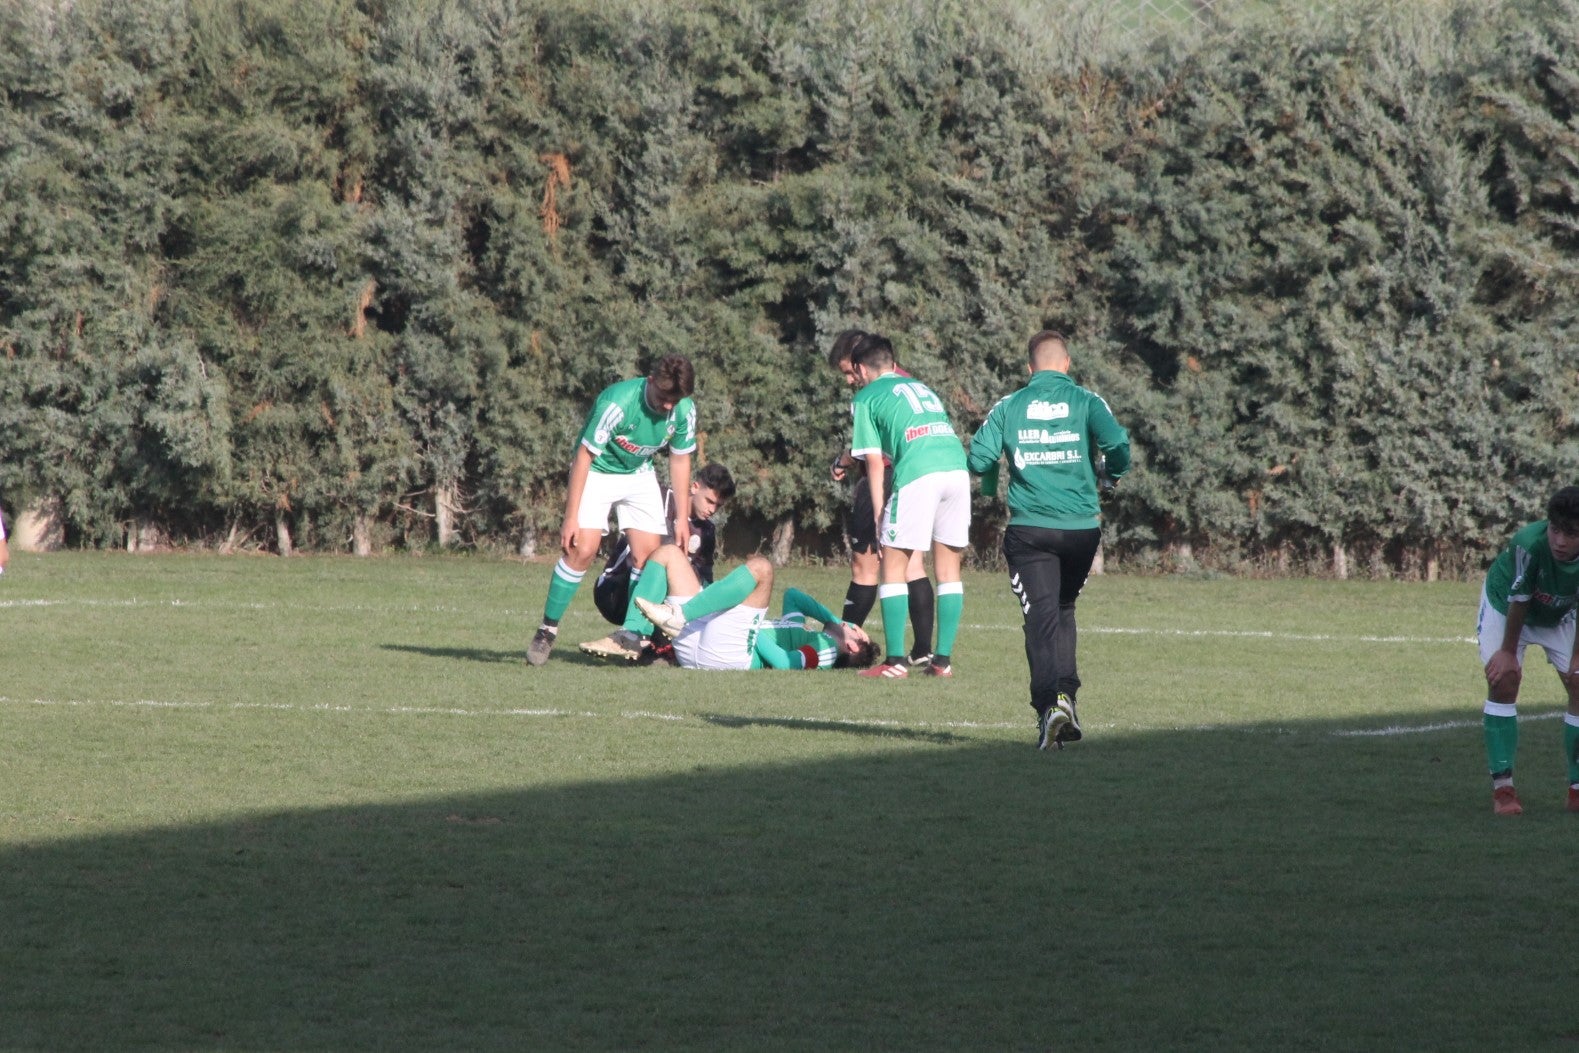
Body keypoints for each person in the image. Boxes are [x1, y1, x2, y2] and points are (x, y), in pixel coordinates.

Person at [967, 330, 1130, 750]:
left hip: (1031, 531)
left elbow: (979, 457)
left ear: (1029, 368)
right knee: (1064, 608)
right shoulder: (1089, 401)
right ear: (1067, 364)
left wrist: (988, 489)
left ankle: (1049, 707)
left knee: (1040, 618)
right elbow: (1118, 444)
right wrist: (1109, 477)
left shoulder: (1010, 405)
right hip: (1081, 531)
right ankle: (1068, 699)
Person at [526, 355, 697, 666]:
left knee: (650, 560)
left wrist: (683, 518)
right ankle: (547, 630)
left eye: (676, 400)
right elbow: (583, 457)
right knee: (583, 549)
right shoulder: (618, 404)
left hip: (638, 474)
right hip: (597, 471)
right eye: (663, 398)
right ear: (649, 382)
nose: (669, 407)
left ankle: (634, 639)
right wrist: (570, 516)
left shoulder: (683, 409)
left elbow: (680, 459)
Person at [847, 333, 970, 679]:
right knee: (948, 570)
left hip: (919, 473)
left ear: (860, 369)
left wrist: (877, 514)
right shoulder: (922, 387)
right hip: (956, 470)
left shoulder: (866, 397)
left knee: (893, 566)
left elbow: (874, 462)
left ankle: (895, 661)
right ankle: (942, 661)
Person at [826, 329, 936, 667]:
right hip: (917, 473)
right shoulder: (907, 382)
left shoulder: (872, 392)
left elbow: (874, 453)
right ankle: (922, 651)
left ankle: (845, 648)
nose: (849, 379)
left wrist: (848, 463)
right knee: (913, 563)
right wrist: (847, 458)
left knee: (865, 566)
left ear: (861, 362)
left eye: (849, 370)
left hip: (887, 475)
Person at [1477, 485, 1579, 816]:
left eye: (1572, 534)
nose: (1560, 541)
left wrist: (1577, 659)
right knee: (1504, 678)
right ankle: (1503, 790)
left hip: (1558, 612)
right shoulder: (1528, 543)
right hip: (1506, 606)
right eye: (1555, 530)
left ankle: (1577, 791)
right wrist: (1507, 651)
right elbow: (1519, 599)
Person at [632, 545, 877, 671]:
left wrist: (752, 630)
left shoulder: (829, 651)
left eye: (855, 632)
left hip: (729, 652)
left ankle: (680, 616)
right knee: (669, 553)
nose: (851, 626)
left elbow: (785, 664)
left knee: (762, 568)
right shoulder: (807, 632)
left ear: (852, 645)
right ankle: (630, 634)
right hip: (707, 638)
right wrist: (837, 620)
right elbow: (794, 597)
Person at [583, 462, 736, 662]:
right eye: (709, 501)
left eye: (718, 506)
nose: (712, 509)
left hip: (653, 601)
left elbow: (704, 577)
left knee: (696, 590)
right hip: (615, 589)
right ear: (695, 487)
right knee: (665, 556)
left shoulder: (706, 530)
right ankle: (634, 635)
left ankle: (654, 648)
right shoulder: (659, 499)